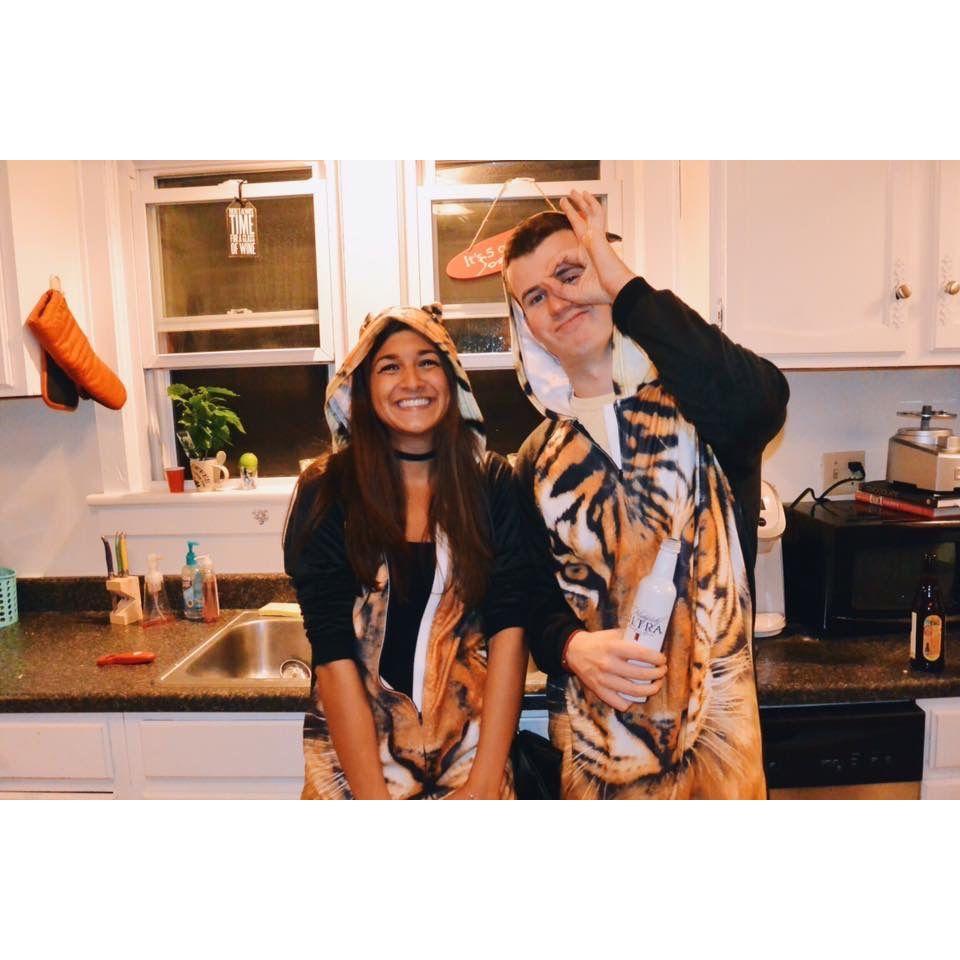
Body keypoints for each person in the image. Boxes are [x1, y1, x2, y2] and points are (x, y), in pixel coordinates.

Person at [504, 191, 790, 799]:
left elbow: (764, 399)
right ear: (525, 325)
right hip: (599, 764)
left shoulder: (704, 412)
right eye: (535, 297)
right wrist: (571, 646)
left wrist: (624, 289)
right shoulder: (534, 459)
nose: (559, 301)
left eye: (571, 274)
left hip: (720, 761)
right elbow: (527, 595)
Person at [283, 304, 528, 799]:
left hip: (470, 761)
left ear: (452, 379)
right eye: (389, 367)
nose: (412, 381)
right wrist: (374, 801)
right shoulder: (327, 490)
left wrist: (483, 784)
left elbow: (511, 630)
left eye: (427, 362)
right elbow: (332, 655)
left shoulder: (491, 484)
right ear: (363, 387)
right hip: (353, 768)